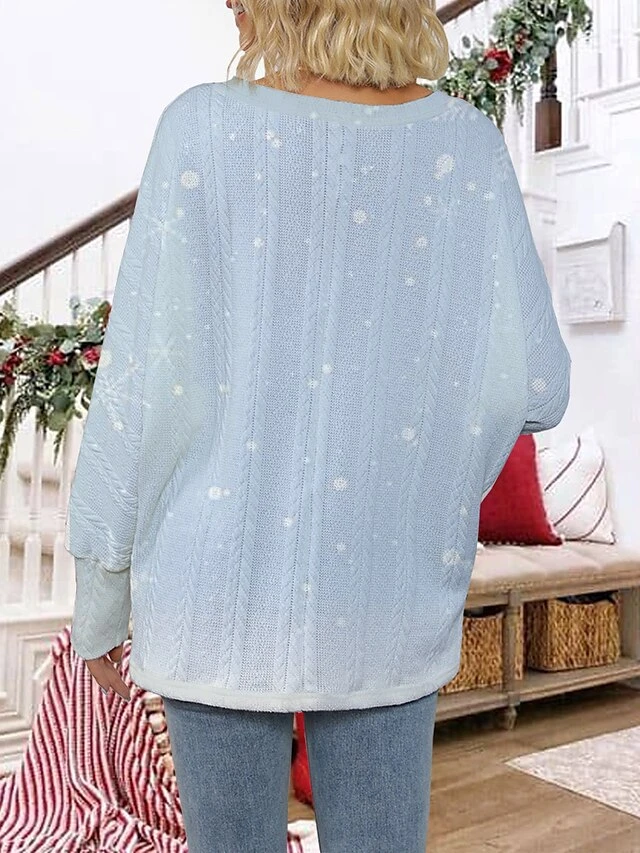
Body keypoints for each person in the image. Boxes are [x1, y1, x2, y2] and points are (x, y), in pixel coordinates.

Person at [64, 1, 571, 850]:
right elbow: (535, 387)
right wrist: (422, 482)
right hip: (387, 591)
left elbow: (139, 389)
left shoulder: (202, 129)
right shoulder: (466, 147)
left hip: (211, 587)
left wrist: (101, 594)